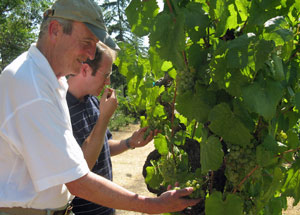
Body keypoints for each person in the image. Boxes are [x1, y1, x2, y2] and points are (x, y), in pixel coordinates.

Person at [0, 0, 200, 214]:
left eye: (94, 45)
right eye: (87, 41)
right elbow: (77, 180)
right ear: (55, 30)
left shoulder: (47, 81)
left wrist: (127, 143)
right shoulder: (32, 88)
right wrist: (152, 205)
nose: (91, 54)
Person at [67, 42, 156, 215]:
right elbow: (82, 166)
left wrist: (129, 143)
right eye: (106, 74)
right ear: (85, 70)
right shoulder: (61, 110)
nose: (108, 81)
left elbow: (102, 145)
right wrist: (104, 118)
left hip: (105, 209)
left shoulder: (92, 100)